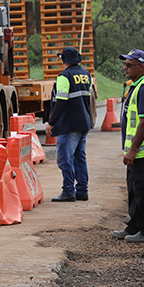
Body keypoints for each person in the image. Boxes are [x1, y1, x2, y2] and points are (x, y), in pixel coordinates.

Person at [110, 49, 144, 243]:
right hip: (135, 150)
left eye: (129, 65)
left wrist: (133, 150)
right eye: (124, 64)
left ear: (141, 67)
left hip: (142, 150)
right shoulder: (136, 86)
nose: (124, 68)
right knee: (134, 190)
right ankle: (134, 225)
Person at [47, 46, 93, 202]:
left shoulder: (64, 77)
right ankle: (82, 190)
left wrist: (51, 123)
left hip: (69, 125)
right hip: (83, 123)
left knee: (64, 158)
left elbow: (60, 102)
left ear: (64, 61)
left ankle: (68, 191)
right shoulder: (86, 75)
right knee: (80, 157)